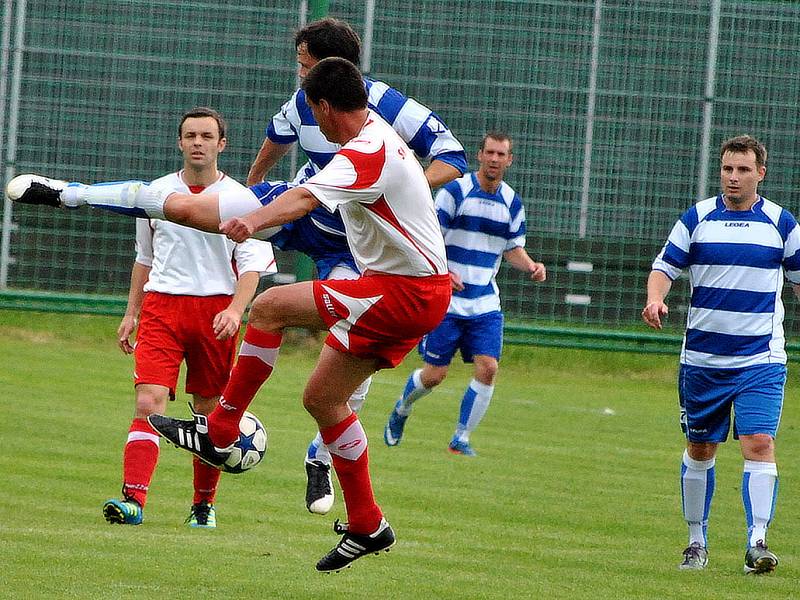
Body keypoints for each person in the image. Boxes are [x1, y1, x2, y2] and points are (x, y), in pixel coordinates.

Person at [8, 57, 452, 572]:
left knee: (266, 308)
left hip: (404, 293)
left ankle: (219, 431)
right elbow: (192, 210)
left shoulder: (366, 153)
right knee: (323, 399)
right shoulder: (370, 134)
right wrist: (73, 196)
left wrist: (253, 221)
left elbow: (303, 199)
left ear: (324, 107)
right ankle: (367, 523)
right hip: (405, 290)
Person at [246, 16, 468, 514]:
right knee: (220, 226)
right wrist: (254, 182)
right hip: (322, 225)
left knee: (336, 371)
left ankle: (319, 457)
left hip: (370, 254)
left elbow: (453, 156)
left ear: (329, 72)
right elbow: (277, 141)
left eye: (305, 67)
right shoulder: (300, 104)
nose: (299, 76)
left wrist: (394, 194)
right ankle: (359, 511)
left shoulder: (385, 108)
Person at [103, 107, 276, 528]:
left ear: (221, 144)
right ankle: (133, 501)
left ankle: (203, 505)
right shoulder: (156, 194)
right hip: (163, 307)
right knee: (148, 402)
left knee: (209, 413)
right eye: (190, 135)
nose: (197, 142)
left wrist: (237, 310)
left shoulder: (239, 200)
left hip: (216, 312)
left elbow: (252, 262)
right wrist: (132, 313)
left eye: (206, 136)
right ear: (180, 143)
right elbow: (145, 257)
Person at [642, 134, 800, 574]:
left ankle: (757, 542)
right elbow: (663, 268)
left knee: (759, 442)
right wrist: (656, 298)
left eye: (743, 170)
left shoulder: (781, 224)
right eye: (728, 169)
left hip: (760, 360)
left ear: (760, 173)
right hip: (702, 362)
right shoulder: (696, 219)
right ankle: (696, 542)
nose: (734, 177)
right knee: (701, 448)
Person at [383, 133, 546, 456]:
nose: (495, 159)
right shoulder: (455, 192)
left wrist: (531, 266)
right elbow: (427, 236)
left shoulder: (512, 202)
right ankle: (402, 408)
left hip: (485, 302)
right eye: (490, 152)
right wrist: (444, 271)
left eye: (501, 154)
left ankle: (461, 438)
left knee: (488, 367)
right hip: (446, 299)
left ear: (509, 160)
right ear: (480, 156)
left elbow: (512, 248)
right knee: (435, 375)